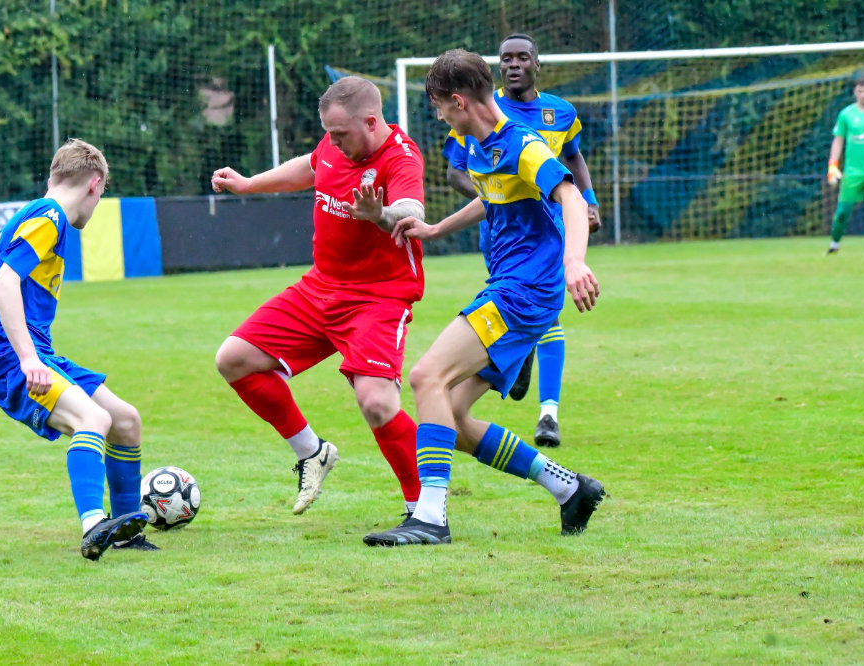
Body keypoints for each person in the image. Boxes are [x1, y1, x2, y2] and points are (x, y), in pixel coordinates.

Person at [364, 49, 605, 547]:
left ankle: (430, 517)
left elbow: (570, 196)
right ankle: (569, 489)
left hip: (524, 292)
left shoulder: (523, 144)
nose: (439, 117)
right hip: (511, 286)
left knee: (426, 376)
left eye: (439, 107)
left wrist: (575, 261)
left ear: (458, 101)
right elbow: (489, 195)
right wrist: (436, 229)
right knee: (450, 415)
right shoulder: (480, 143)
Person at [211, 76, 424, 520]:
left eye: (340, 133)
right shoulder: (335, 143)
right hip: (319, 288)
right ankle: (311, 451)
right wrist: (249, 184)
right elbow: (311, 166)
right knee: (233, 359)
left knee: (377, 403)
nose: (334, 142)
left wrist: (379, 214)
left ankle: (423, 508)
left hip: (377, 298)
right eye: (329, 133)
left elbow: (412, 213)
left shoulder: (400, 157)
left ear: (371, 122)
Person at [0, 139, 154, 561]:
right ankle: (93, 526)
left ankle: (127, 533)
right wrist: (26, 358)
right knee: (94, 419)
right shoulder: (50, 218)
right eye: (101, 194)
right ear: (94, 184)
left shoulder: (24, 219)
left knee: (126, 420)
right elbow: (3, 285)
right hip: (12, 355)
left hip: (16, 353)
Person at [444, 33, 600, 450]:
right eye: (506, 59)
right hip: (500, 238)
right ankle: (515, 359)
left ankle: (548, 413)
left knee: (547, 314)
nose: (514, 65)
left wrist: (590, 201)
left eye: (522, 57)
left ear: (537, 63)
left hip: (549, 234)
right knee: (529, 316)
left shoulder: (560, 112)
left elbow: (572, 158)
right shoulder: (479, 112)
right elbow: (455, 171)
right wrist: (497, 196)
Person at [826, 75, 864, 254]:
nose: (863, 95)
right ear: (854, 92)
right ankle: (834, 244)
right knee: (842, 212)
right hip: (852, 173)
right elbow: (838, 141)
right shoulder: (846, 114)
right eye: (860, 91)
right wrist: (832, 165)